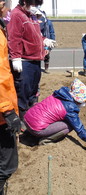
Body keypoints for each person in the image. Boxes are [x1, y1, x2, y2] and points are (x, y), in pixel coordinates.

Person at [24, 78, 86, 152]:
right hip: (36, 129)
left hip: (27, 118)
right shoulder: (70, 108)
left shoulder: (61, 94)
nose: (84, 104)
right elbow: (80, 130)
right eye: (83, 101)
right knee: (70, 126)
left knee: (61, 117)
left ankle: (30, 133)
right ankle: (45, 140)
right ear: (77, 98)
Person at [7, 0, 56, 122]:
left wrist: (44, 40)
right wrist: (16, 57)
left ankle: (32, 119)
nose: (35, 7)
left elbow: (35, 34)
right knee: (23, 92)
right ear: (25, 1)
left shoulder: (31, 16)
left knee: (33, 91)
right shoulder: (16, 15)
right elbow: (14, 37)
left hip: (35, 60)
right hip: (25, 61)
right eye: (34, 4)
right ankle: (22, 122)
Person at [0, 1, 20, 194]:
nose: (8, 10)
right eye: (6, 5)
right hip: (1, 112)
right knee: (6, 165)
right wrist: (7, 109)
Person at [36, 9, 56, 73]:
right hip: (40, 41)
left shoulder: (48, 22)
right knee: (38, 55)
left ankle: (46, 68)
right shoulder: (37, 22)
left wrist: (52, 40)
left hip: (47, 40)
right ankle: (37, 68)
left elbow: (51, 32)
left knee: (47, 55)